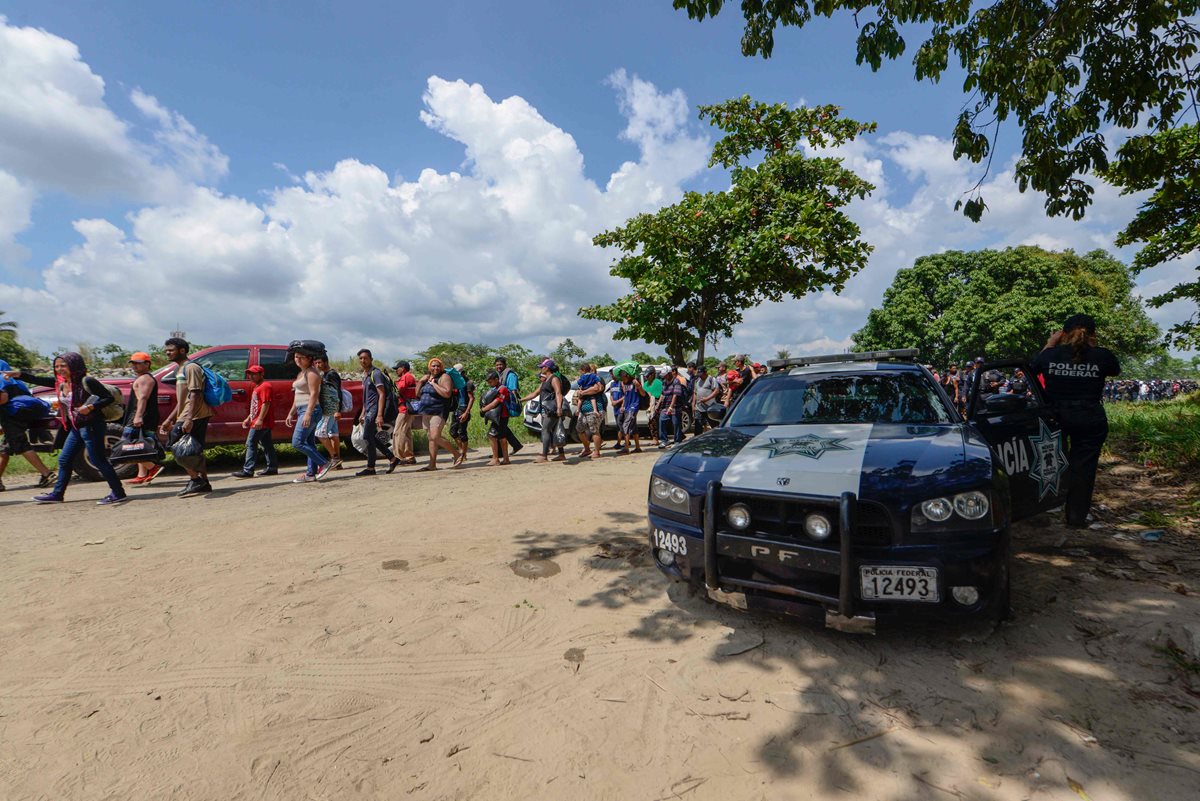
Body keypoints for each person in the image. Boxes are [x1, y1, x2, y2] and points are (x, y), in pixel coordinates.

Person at [1031, 313, 1122, 529]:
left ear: (1063, 333)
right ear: (1093, 334)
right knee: (1084, 469)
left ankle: (1042, 510)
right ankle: (1075, 517)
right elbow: (1114, 370)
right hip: (1089, 417)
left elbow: (1032, 369)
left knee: (1049, 465)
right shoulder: (1102, 356)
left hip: (1055, 418)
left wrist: (1049, 344)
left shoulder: (1050, 355)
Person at [24, 353, 127, 505]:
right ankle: (57, 494)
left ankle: (118, 492)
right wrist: (19, 375)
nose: (59, 369)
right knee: (65, 460)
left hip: (92, 425)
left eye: (63, 366)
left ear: (74, 365)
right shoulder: (62, 382)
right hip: (77, 427)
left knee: (97, 460)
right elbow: (37, 380)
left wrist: (90, 407)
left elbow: (108, 397)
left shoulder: (87, 381)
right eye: (57, 366)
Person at [158, 337, 213, 497]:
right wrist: (170, 418)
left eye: (171, 350)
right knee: (194, 450)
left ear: (182, 350)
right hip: (187, 414)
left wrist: (188, 419)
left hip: (195, 415)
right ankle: (203, 483)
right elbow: (183, 399)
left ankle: (196, 480)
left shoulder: (191, 368)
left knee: (176, 447)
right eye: (166, 350)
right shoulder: (180, 369)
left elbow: (196, 393)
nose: (167, 352)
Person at [0, 361, 56, 491]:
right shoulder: (16, 381)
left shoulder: (1, 379)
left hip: (11, 416)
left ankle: (47, 473)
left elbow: (3, 398)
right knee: (5, 448)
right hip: (22, 415)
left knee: (21, 445)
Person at [285, 349, 329, 483]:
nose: (297, 359)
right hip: (301, 410)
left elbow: (314, 394)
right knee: (309, 443)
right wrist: (291, 412)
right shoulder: (301, 373)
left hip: (310, 410)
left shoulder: (311, 373)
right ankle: (310, 474)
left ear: (309, 358)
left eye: (301, 357)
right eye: (296, 357)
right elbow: (298, 394)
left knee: (297, 442)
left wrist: (308, 414)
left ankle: (324, 463)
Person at [354, 349, 399, 476]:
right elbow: (365, 397)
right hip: (368, 410)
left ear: (371, 359)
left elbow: (382, 394)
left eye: (365, 358)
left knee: (368, 437)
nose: (363, 361)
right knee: (370, 437)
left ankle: (371, 467)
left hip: (374, 410)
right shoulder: (366, 375)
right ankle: (391, 458)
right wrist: (362, 413)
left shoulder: (376, 373)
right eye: (361, 358)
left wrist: (379, 415)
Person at [413, 358, 464, 470]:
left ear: (441, 367)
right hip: (426, 411)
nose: (435, 368)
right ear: (429, 367)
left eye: (437, 366)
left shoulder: (444, 377)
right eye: (433, 366)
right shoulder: (427, 378)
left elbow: (447, 393)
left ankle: (457, 454)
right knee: (431, 438)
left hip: (439, 411)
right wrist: (421, 381)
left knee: (435, 436)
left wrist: (434, 384)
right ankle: (432, 465)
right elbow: (417, 394)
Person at [123, 352, 164, 486]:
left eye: (138, 363)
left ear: (147, 364)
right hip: (140, 415)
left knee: (130, 445)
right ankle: (142, 474)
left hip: (141, 416)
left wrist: (138, 416)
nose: (134, 366)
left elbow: (143, 398)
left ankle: (152, 467)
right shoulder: (142, 378)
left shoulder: (145, 379)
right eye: (133, 363)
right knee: (141, 444)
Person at [230, 365, 278, 478]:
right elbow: (256, 406)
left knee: (251, 443)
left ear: (262, 374)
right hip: (257, 420)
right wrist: (249, 418)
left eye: (254, 374)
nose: (251, 376)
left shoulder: (265, 386)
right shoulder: (257, 387)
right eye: (250, 374)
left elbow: (266, 404)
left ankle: (248, 470)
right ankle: (272, 467)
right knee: (267, 444)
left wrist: (260, 420)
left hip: (261, 422)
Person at [521, 359, 568, 463]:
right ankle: (561, 454)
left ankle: (544, 455)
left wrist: (559, 408)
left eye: (542, 367)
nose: (541, 369)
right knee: (556, 430)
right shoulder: (545, 380)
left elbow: (558, 393)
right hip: (546, 409)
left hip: (551, 410)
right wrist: (521, 400)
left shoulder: (554, 379)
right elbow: (535, 393)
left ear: (547, 368)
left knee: (545, 430)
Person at [313, 354, 343, 473]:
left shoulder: (331, 374)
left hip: (331, 409)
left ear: (326, 362)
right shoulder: (325, 374)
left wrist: (337, 410)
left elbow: (337, 391)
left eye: (320, 362)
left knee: (321, 433)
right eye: (316, 363)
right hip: (329, 409)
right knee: (333, 435)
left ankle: (335, 458)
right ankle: (338, 463)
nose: (318, 365)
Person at [479, 369, 512, 466]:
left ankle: (495, 458)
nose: (489, 383)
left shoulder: (502, 389)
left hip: (502, 416)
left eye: (491, 381)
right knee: (501, 437)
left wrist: (483, 410)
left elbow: (496, 402)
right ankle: (506, 459)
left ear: (496, 379)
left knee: (491, 435)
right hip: (499, 416)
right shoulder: (495, 389)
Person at [493, 356, 524, 456]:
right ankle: (515, 445)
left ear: (505, 365)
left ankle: (501, 452)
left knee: (499, 427)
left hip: (506, 404)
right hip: (501, 404)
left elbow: (513, 391)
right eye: (497, 365)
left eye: (500, 364)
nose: (499, 366)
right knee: (501, 427)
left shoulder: (510, 375)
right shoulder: (500, 375)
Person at [573, 363, 605, 458]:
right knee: (579, 429)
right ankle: (587, 449)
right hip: (584, 409)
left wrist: (583, 392)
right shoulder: (589, 379)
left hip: (594, 409)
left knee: (594, 430)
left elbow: (597, 389)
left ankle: (597, 451)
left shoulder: (597, 379)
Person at [391, 360, 418, 465]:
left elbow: (398, 389)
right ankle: (409, 456)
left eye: (397, 368)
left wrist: (393, 384)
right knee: (406, 433)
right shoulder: (408, 376)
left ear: (403, 368)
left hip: (405, 409)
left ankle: (399, 457)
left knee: (398, 433)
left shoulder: (406, 377)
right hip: (406, 409)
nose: (396, 371)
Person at [610, 368, 643, 454]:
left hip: (633, 406)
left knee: (626, 426)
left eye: (621, 375)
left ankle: (626, 448)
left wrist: (639, 387)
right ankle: (638, 447)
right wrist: (623, 405)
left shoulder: (635, 382)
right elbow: (626, 395)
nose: (620, 377)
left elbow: (643, 394)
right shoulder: (624, 383)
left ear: (626, 375)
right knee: (634, 427)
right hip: (627, 407)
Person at [449, 363, 475, 462]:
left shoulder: (468, 383)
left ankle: (463, 455)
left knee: (462, 433)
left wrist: (466, 412)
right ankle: (462, 451)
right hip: (457, 409)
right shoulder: (456, 382)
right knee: (453, 432)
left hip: (463, 409)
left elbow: (472, 398)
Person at [657, 366, 687, 448]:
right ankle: (664, 440)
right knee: (662, 421)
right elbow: (662, 394)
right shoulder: (664, 382)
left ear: (669, 373)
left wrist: (671, 407)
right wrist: (658, 405)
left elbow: (675, 395)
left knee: (676, 424)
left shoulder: (676, 381)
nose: (664, 376)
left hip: (675, 406)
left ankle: (677, 441)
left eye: (665, 375)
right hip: (665, 406)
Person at [693, 365, 720, 433]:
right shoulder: (697, 381)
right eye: (699, 374)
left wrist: (707, 399)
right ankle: (697, 439)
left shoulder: (711, 379)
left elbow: (716, 391)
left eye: (701, 374)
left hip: (710, 407)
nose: (700, 376)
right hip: (699, 407)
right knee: (698, 425)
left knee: (714, 424)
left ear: (705, 372)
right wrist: (693, 404)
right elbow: (695, 393)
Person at [642, 367, 663, 446]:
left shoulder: (658, 383)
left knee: (656, 421)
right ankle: (654, 438)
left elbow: (661, 395)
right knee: (650, 422)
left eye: (648, 376)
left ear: (653, 374)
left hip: (657, 404)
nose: (647, 377)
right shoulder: (646, 384)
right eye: (646, 376)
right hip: (649, 405)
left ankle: (659, 438)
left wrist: (657, 405)